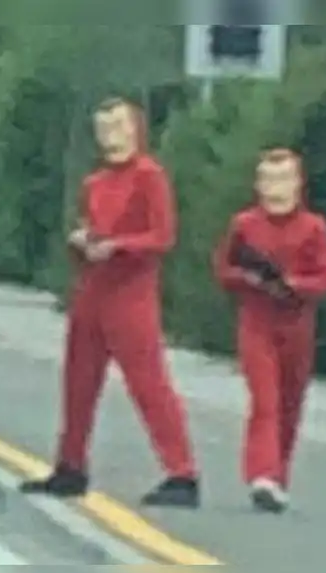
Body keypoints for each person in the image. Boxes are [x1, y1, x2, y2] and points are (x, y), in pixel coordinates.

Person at [19, 97, 200, 508]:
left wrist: (118, 246)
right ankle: (71, 465)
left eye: (118, 125)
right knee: (78, 382)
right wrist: (82, 242)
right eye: (103, 128)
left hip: (131, 293)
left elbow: (163, 236)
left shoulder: (149, 176)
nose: (111, 135)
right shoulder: (95, 183)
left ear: (136, 128)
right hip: (92, 290)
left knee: (148, 383)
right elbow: (87, 226)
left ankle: (182, 472)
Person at [212, 147, 326, 513]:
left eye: (283, 178)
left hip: (297, 324)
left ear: (298, 183)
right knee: (265, 401)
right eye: (268, 179)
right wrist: (250, 278)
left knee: (289, 404)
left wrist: (294, 285)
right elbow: (223, 269)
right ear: (257, 184)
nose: (275, 188)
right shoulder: (244, 225)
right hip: (257, 322)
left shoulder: (314, 227)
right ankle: (262, 474)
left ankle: (278, 478)